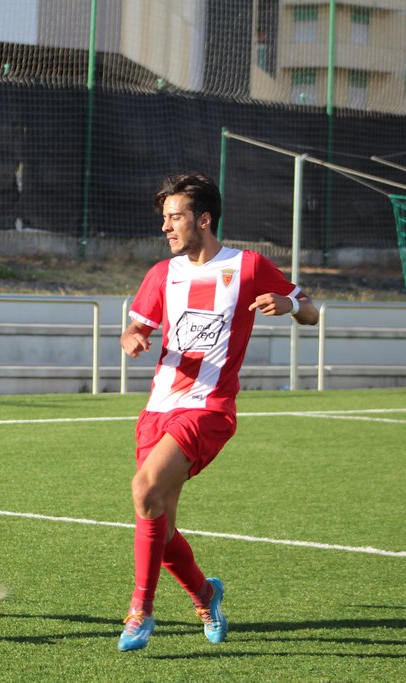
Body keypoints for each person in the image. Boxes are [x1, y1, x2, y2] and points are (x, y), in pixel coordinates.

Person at [116, 172, 319, 651]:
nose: (166, 227)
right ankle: (205, 595)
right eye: (164, 218)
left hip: (209, 407)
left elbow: (310, 311)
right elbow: (136, 327)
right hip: (158, 409)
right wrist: (132, 337)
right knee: (159, 522)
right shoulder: (162, 274)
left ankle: (140, 611)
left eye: (175, 217)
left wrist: (289, 304)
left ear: (204, 219)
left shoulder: (247, 266)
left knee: (144, 490)